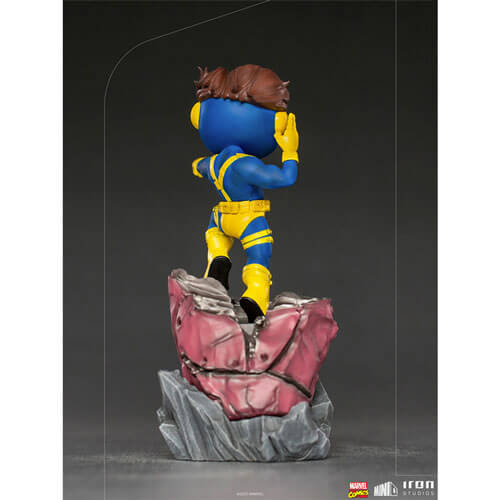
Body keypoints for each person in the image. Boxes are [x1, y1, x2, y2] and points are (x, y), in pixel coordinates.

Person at [190, 64, 299, 322]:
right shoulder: (247, 166)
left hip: (219, 219)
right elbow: (285, 178)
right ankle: (255, 297)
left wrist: (200, 167)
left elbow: (196, 167)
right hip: (248, 219)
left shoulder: (211, 163)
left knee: (215, 239)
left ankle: (218, 259)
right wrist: (290, 151)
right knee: (259, 256)